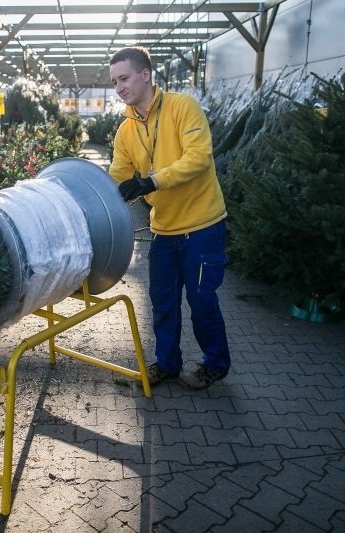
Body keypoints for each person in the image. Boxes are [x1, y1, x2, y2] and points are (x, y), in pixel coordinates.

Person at [107, 46, 230, 390]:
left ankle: (215, 364)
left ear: (145, 75)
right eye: (114, 81)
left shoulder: (182, 107)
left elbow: (199, 158)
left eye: (124, 78)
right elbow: (118, 174)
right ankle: (167, 364)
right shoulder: (125, 131)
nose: (119, 87)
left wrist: (152, 180)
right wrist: (100, 195)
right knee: (162, 301)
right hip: (164, 229)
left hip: (203, 225)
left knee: (202, 300)